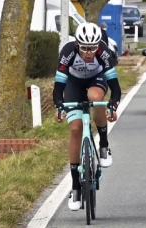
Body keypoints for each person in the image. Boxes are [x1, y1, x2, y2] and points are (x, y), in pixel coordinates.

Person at [53, 23, 121, 211]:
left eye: (93, 48)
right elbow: (58, 87)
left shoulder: (104, 53)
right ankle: (75, 185)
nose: (89, 52)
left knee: (95, 97)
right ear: (77, 44)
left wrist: (112, 105)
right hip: (73, 83)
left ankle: (104, 144)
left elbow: (115, 88)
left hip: (96, 79)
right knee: (75, 129)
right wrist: (59, 106)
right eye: (84, 48)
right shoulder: (67, 52)